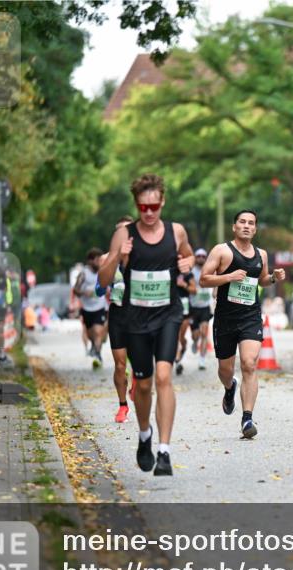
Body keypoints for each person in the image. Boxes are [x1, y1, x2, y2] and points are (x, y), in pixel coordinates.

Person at [98, 174, 195, 476]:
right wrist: (119, 256)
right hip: (135, 318)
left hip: (167, 314)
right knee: (142, 385)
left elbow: (188, 256)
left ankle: (164, 452)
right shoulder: (124, 234)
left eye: (154, 206)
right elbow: (103, 280)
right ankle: (144, 436)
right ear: (137, 206)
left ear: (162, 202)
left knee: (164, 376)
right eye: (143, 207)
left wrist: (187, 264)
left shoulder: (176, 232)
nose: (149, 213)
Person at [199, 209, 285, 439]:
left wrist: (275, 277)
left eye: (251, 223)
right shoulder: (222, 251)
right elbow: (203, 279)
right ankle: (229, 388)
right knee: (225, 371)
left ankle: (247, 418)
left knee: (249, 363)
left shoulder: (262, 255)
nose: (246, 226)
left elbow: (263, 280)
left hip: (250, 317)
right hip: (225, 319)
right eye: (242, 222)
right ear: (234, 227)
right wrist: (228, 277)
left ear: (255, 229)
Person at [100, 216, 135, 422]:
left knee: (141, 360)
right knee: (120, 365)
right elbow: (98, 288)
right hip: (118, 313)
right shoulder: (108, 257)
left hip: (140, 313)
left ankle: (137, 380)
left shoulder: (144, 256)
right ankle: (122, 406)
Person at [75, 248, 108, 369]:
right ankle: (94, 347)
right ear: (90, 261)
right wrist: (84, 292)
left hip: (100, 307)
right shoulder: (83, 274)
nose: (99, 262)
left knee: (98, 332)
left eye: (100, 259)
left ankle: (97, 355)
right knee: (91, 335)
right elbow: (76, 290)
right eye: (97, 259)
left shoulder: (103, 271)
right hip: (87, 309)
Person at [189, 248, 214, 369]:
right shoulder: (191, 272)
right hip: (193, 307)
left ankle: (202, 360)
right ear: (195, 257)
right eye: (198, 256)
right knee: (196, 335)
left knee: (204, 332)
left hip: (205, 306)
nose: (201, 258)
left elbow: (216, 284)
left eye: (203, 256)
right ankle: (194, 342)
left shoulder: (209, 271)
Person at [173, 263, 197, 376]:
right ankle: (177, 361)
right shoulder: (168, 270)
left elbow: (194, 290)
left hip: (185, 307)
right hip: (171, 306)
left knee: (181, 336)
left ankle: (183, 346)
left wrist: (184, 285)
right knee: (175, 334)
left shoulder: (187, 273)